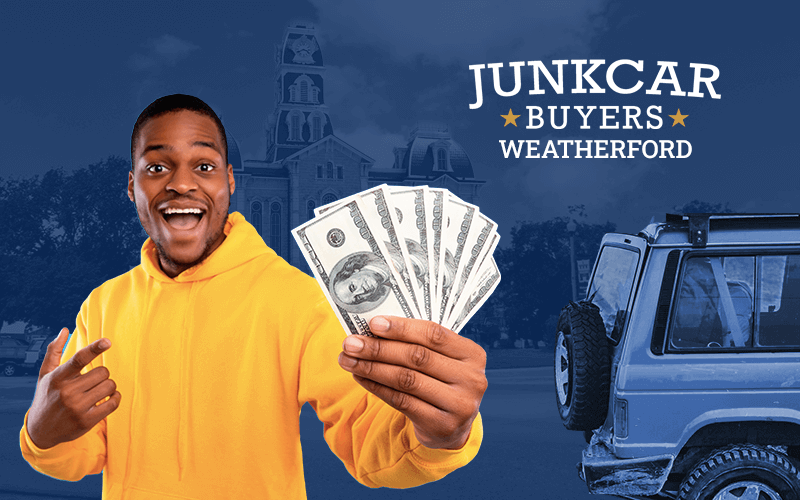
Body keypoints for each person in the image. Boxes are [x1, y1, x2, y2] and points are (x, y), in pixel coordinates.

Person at [20, 94, 487, 499]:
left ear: (230, 183)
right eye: (157, 167)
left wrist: (437, 433)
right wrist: (42, 432)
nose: (181, 183)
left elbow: (371, 444)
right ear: (132, 187)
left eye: (204, 166)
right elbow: (80, 453)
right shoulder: (104, 305)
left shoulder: (300, 301)